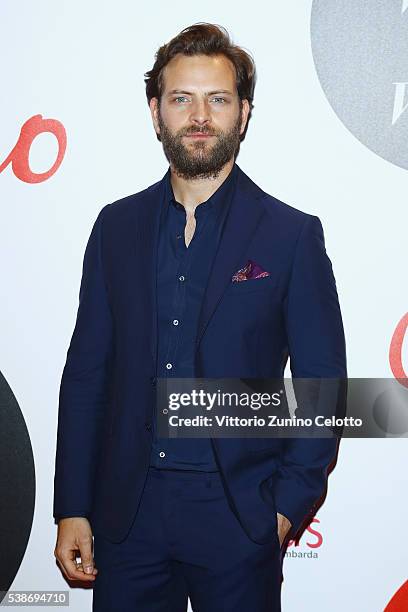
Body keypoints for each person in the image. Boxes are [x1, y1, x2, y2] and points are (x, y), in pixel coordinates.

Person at [53, 22, 347, 612]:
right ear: (156, 112)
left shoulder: (290, 236)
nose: (199, 116)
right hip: (127, 517)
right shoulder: (116, 229)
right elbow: (87, 374)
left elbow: (323, 388)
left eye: (218, 99)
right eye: (181, 98)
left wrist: (284, 508)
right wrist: (72, 506)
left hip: (238, 517)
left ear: (244, 114)